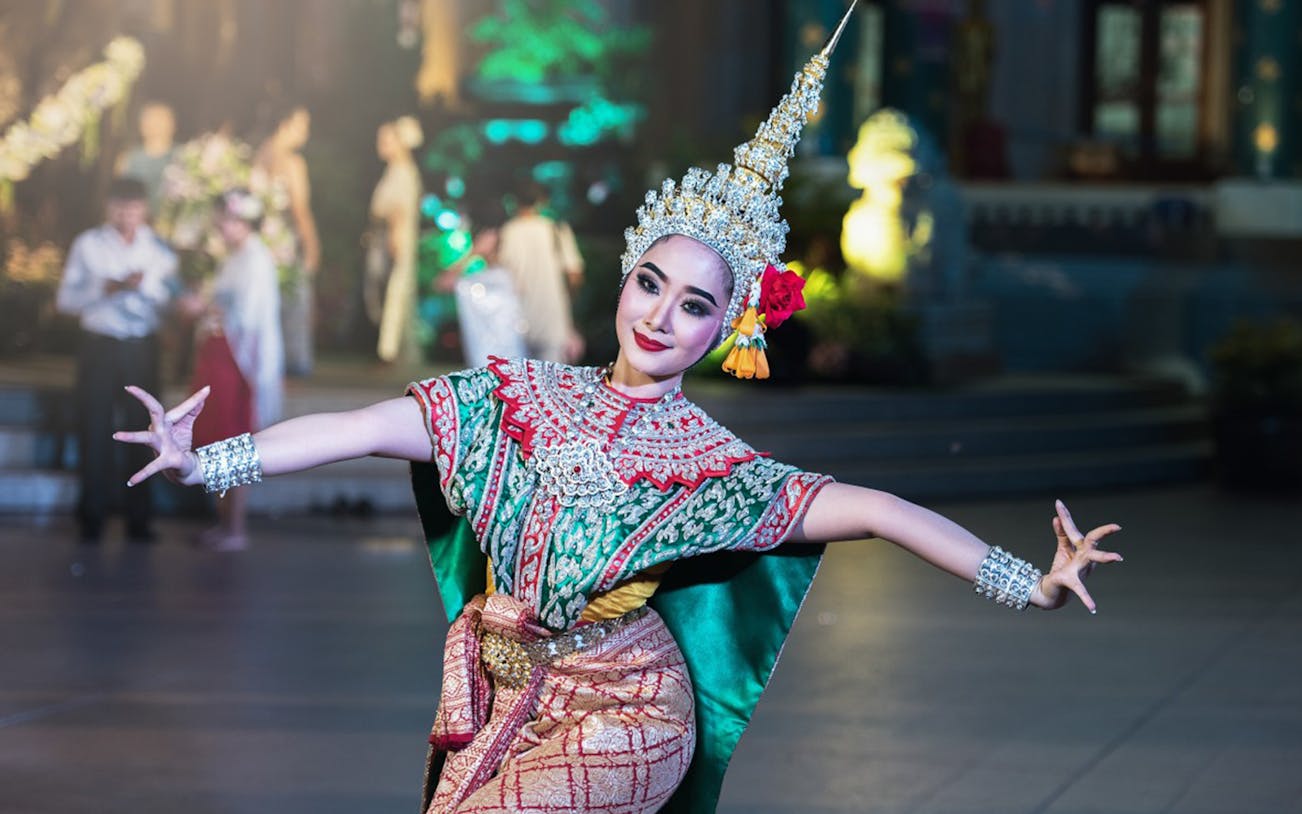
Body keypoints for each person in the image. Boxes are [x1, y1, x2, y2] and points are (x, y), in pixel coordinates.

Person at [114, 7, 1122, 811]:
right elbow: (360, 429)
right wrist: (210, 461)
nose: (659, 317)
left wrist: (1030, 585)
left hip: (631, 710)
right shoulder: (517, 398)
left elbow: (880, 510)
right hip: (510, 691)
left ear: (726, 328)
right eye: (650, 284)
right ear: (625, 277)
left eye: (695, 306)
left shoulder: (714, 467)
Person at [57, 176, 177, 544]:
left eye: (134, 209)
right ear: (109, 207)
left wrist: (144, 286)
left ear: (145, 209)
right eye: (121, 208)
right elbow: (65, 301)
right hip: (100, 346)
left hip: (141, 346)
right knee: (94, 428)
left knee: (146, 430)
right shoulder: (88, 244)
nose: (127, 216)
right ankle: (92, 517)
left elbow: (173, 300)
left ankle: (139, 519)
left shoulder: (158, 249)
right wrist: (101, 289)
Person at [182, 189, 284, 551]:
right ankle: (223, 521)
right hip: (219, 353)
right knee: (215, 435)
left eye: (226, 220)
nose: (221, 227)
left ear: (243, 222)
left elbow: (249, 316)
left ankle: (235, 526)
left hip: (235, 358)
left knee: (232, 436)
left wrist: (205, 308)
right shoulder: (235, 257)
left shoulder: (256, 259)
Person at [254, 105, 319, 377]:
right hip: (284, 244)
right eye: (302, 125)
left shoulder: (258, 156)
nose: (306, 133)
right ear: (284, 124)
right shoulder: (293, 162)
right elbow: (300, 209)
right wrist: (313, 246)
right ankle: (292, 368)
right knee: (294, 305)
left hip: (258, 244)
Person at [495, 181, 585, 363]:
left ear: (514, 201)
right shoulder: (556, 230)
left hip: (515, 321)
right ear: (543, 201)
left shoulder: (507, 232)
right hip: (552, 321)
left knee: (517, 377)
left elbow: (499, 274)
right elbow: (575, 276)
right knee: (551, 377)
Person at [370, 115, 425, 365]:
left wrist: (395, 239)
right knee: (390, 291)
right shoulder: (395, 170)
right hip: (388, 236)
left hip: (397, 237)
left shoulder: (403, 172)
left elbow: (399, 210)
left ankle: (388, 351)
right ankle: (390, 349)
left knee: (395, 290)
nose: (381, 145)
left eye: (386, 140)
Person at [115, 101, 178, 217]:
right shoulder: (128, 158)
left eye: (160, 120)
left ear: (172, 124)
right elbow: (119, 198)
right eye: (149, 120)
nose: (155, 126)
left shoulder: (184, 156)